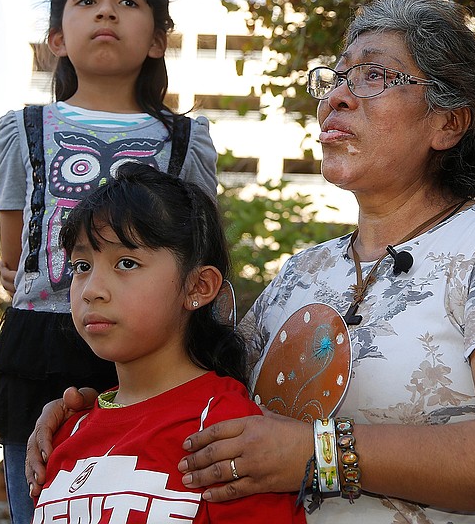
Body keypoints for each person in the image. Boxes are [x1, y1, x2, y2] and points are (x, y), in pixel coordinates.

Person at [28, 0, 475, 523]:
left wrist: (320, 453)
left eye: (374, 76)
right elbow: (194, 390)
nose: (336, 96)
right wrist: (102, 412)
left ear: (448, 122)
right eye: (336, 78)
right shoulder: (301, 275)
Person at [0, 0, 218, 524]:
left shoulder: (188, 140)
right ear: (57, 37)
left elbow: (201, 246)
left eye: (127, 2)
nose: (106, 13)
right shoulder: (23, 129)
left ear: (158, 39)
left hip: (155, 350)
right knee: (43, 498)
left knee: (150, 495)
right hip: (44, 347)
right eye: (88, 2)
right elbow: (16, 254)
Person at [27, 163, 304, 523]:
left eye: (126, 262)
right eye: (81, 266)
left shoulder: (226, 428)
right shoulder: (64, 430)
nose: (92, 290)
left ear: (198, 287)